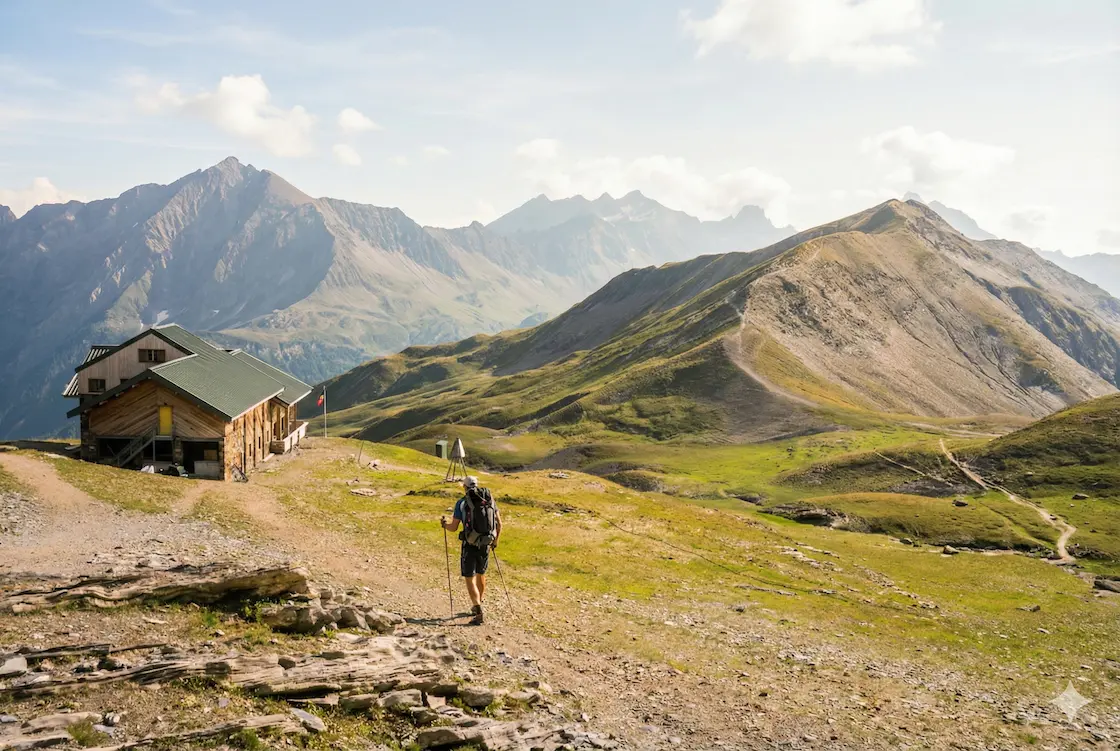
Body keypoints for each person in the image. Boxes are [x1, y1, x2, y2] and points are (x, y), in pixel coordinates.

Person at [440, 475, 501, 624]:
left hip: (469, 543)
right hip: (486, 542)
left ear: (465, 487)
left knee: (469, 576)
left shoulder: (462, 503)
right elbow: (499, 524)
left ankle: (478, 608)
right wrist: (495, 541)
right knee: (481, 573)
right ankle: (478, 603)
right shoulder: (489, 500)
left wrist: (444, 525)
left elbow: (453, 528)